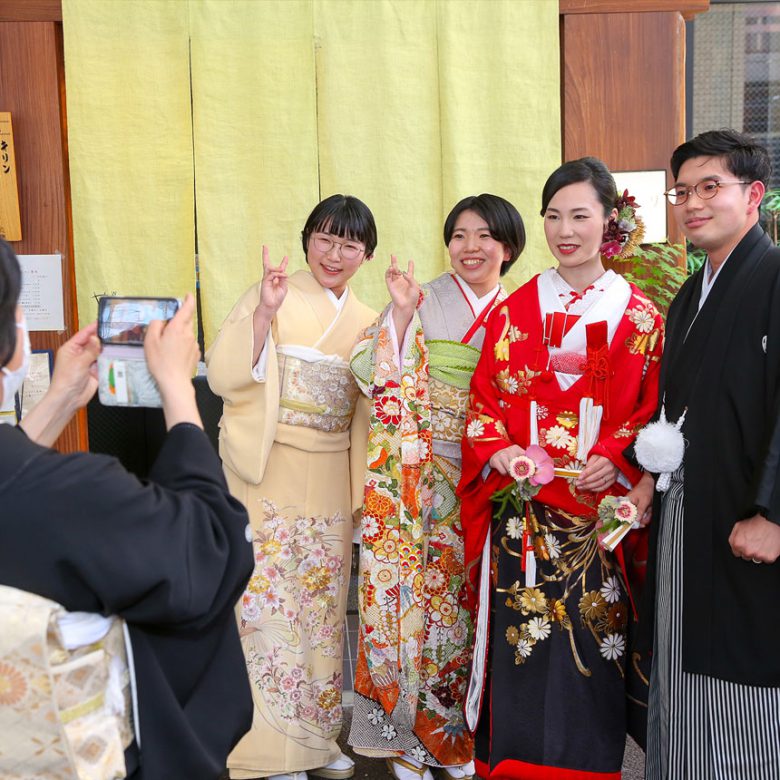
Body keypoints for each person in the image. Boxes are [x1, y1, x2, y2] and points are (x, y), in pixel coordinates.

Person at [0, 237, 255, 779]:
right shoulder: (79, 495)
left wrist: (58, 401)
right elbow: (213, 550)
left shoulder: (46, 493)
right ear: (13, 339)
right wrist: (178, 391)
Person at [458, 159, 664, 779]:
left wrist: (616, 454)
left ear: (610, 221)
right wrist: (501, 450)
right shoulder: (514, 310)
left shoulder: (641, 317)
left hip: (601, 521)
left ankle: (589, 769)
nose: (565, 229)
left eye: (580, 215)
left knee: (592, 649)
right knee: (522, 647)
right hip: (525, 514)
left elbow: (653, 409)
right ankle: (513, 766)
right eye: (554, 216)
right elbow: (484, 402)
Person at [348, 194, 526, 780]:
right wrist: (400, 316)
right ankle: (406, 742)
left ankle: (456, 737)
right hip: (420, 475)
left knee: (469, 609)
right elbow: (363, 368)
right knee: (413, 607)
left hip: (487, 473)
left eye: (484, 236)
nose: (469, 248)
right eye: (458, 235)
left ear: (508, 247)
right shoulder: (423, 297)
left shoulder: (519, 309)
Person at [206, 194, 379, 780]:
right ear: (306, 239)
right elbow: (227, 374)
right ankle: (266, 751)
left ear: (367, 255)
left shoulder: (367, 319)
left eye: (349, 244)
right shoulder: (271, 296)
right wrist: (262, 314)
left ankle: (315, 737)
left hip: (331, 471)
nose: (335, 254)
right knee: (264, 605)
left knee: (324, 605)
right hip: (271, 467)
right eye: (325, 239)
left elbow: (373, 408)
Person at [628, 129, 780, 778]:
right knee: (679, 661)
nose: (692, 203)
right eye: (682, 190)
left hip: (747, 516)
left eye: (709, 187)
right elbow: (674, 412)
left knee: (737, 676)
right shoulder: (690, 294)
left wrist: (773, 512)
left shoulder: (772, 276)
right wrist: (643, 483)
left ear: (754, 195)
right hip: (688, 513)